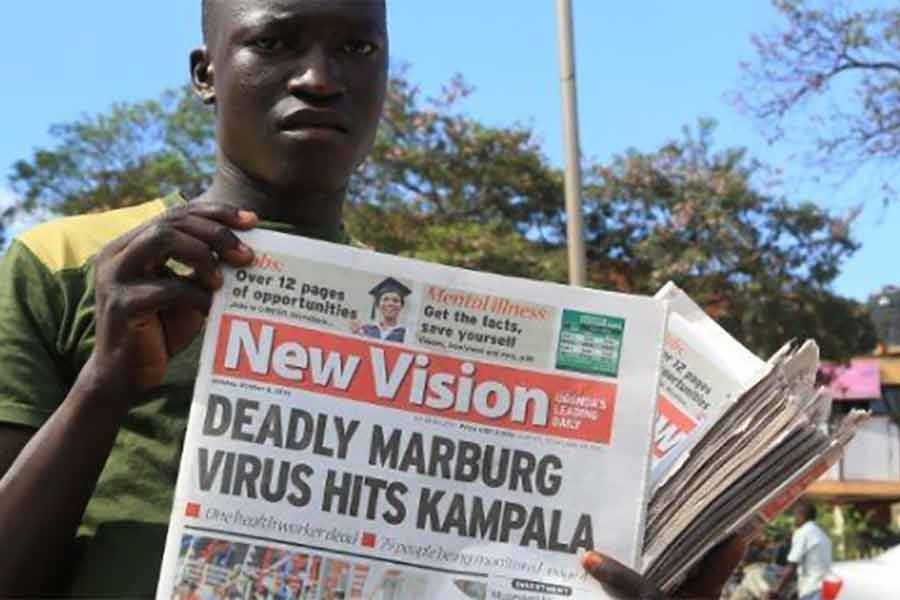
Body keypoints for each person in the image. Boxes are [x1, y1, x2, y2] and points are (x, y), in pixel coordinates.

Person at [0, 0, 750, 597]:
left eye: (357, 48)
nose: (320, 78)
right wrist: (106, 381)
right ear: (206, 73)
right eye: (276, 42)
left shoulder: (436, 322)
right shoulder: (74, 263)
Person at [765, 501, 832, 600]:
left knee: (767, 571)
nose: (794, 519)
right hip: (825, 588)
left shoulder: (803, 532)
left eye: (794, 515)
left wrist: (776, 590)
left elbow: (792, 566)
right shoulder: (822, 534)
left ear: (801, 515)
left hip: (812, 590)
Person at [351, 277, 411, 342]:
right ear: (377, 304)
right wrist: (355, 335)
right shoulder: (364, 330)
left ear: (401, 306)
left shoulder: (406, 334)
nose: (390, 304)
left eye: (395, 300)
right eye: (385, 299)